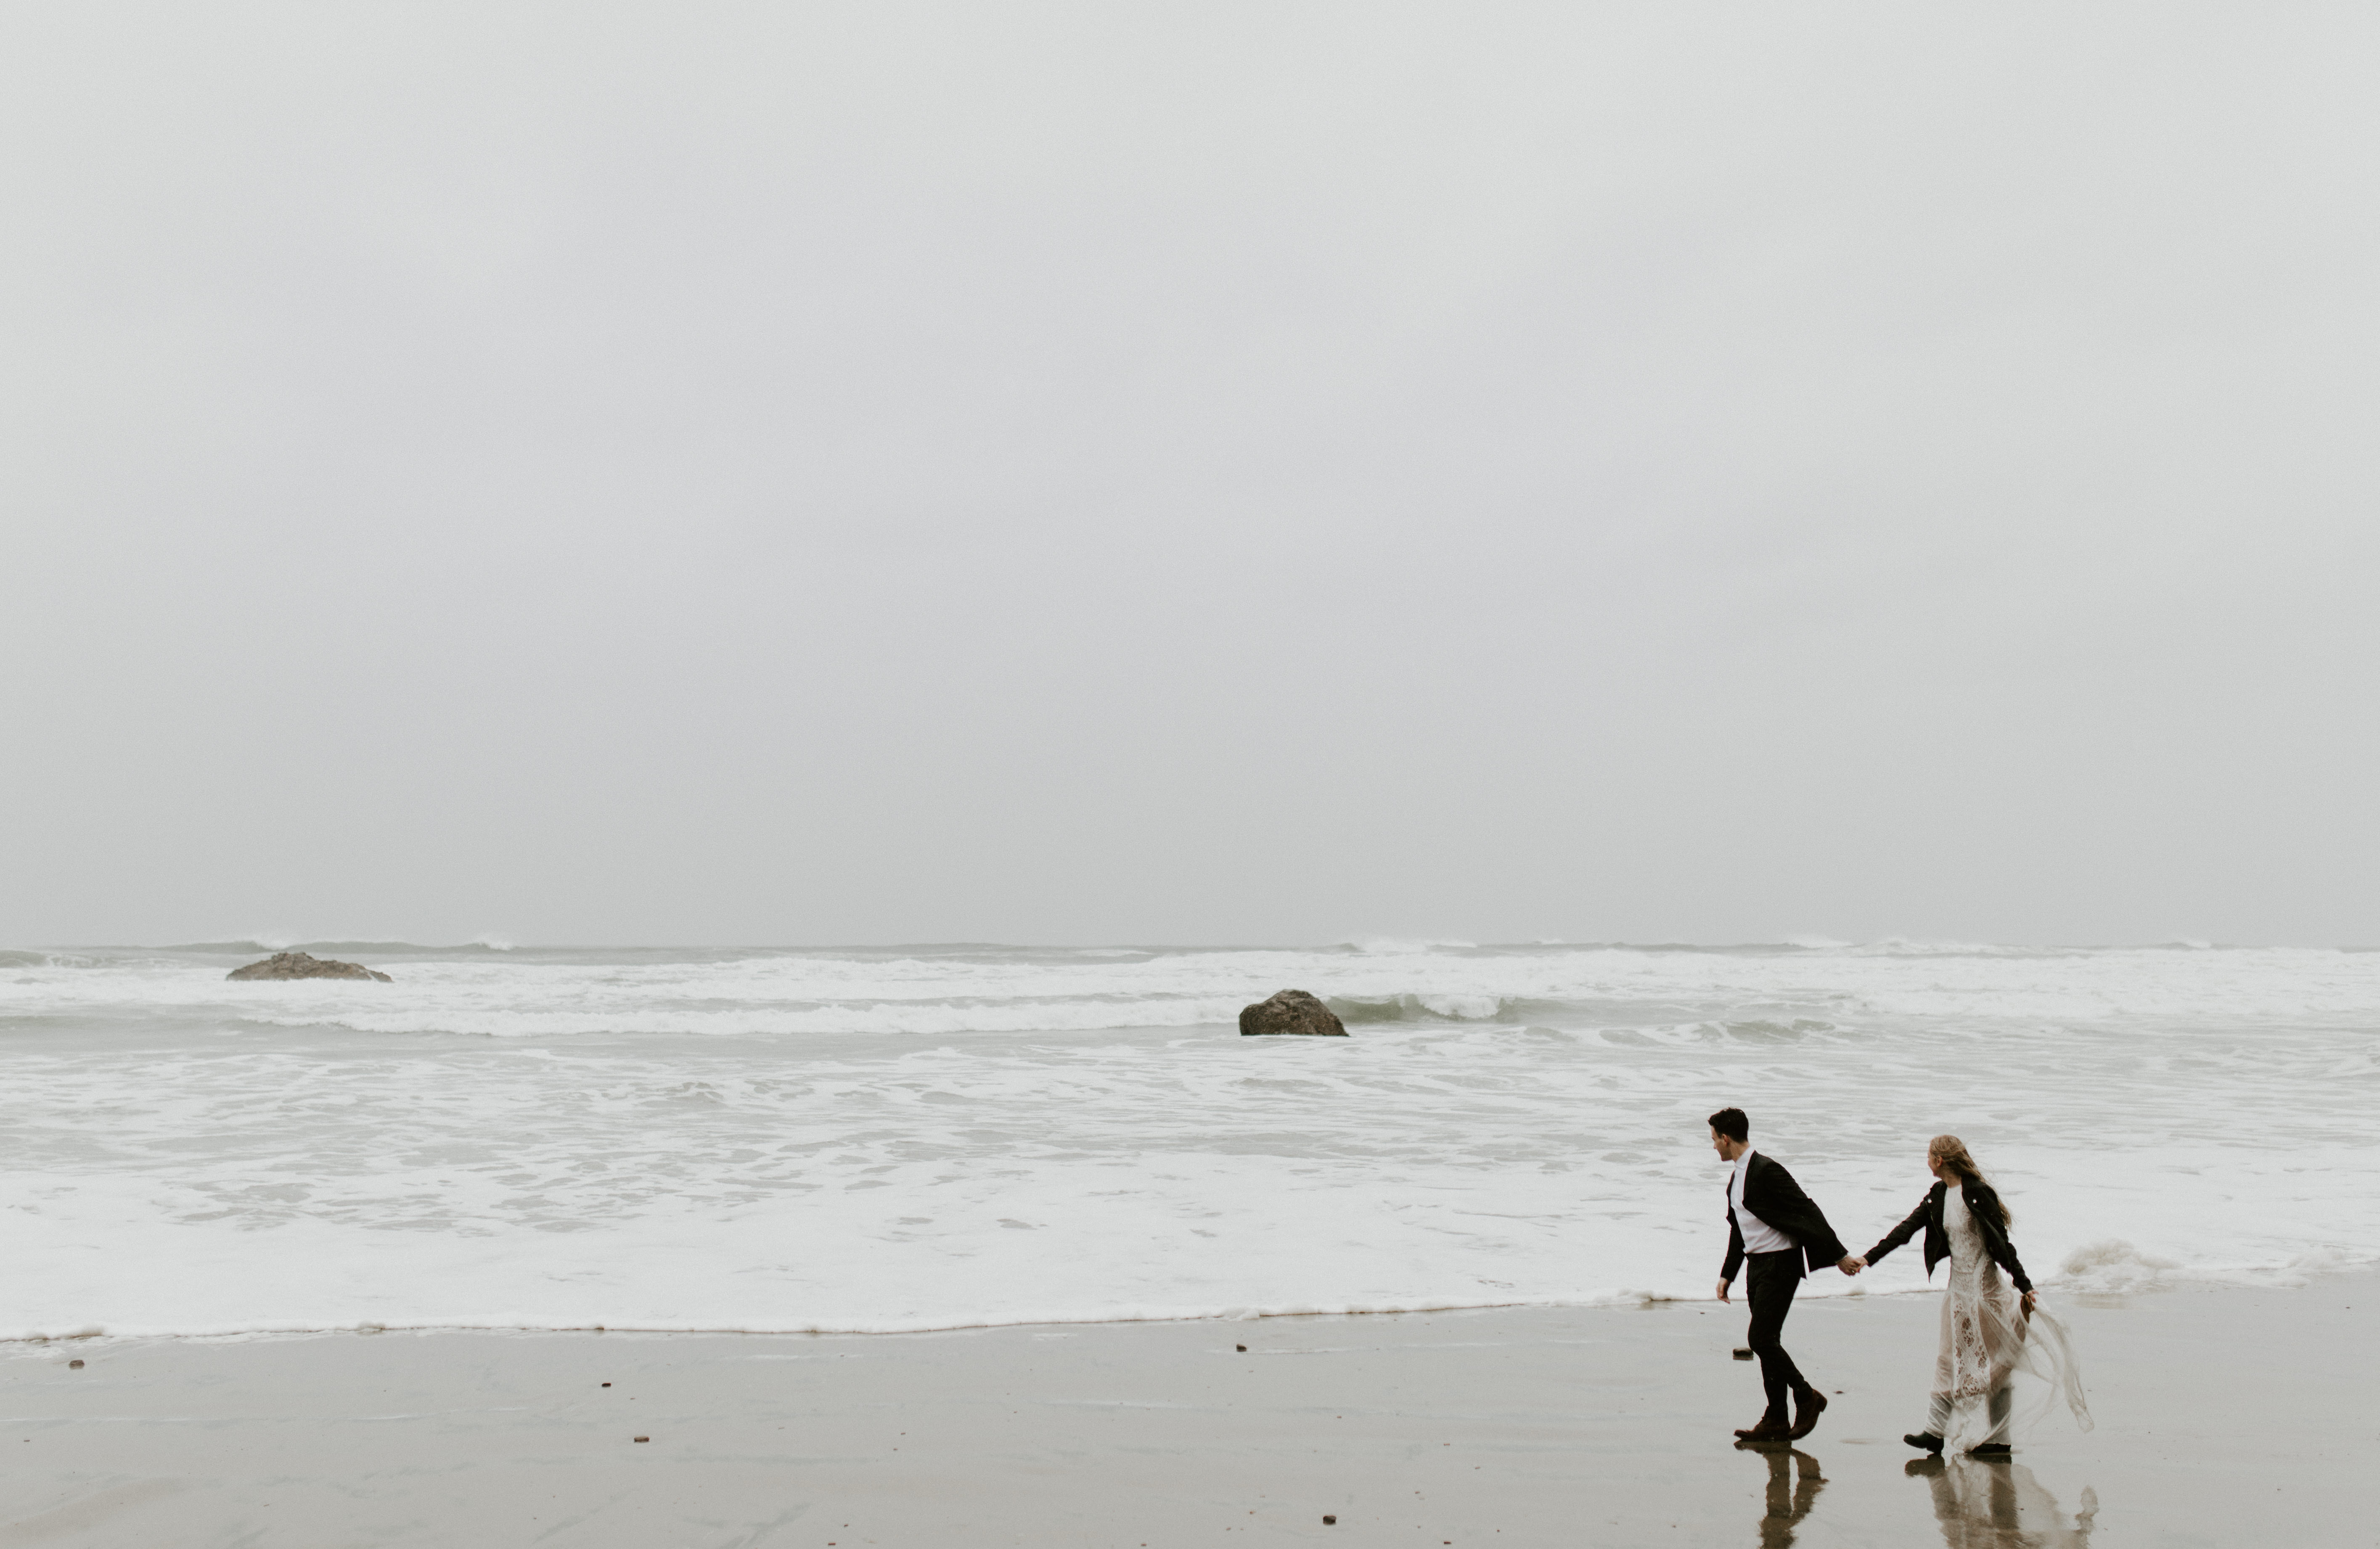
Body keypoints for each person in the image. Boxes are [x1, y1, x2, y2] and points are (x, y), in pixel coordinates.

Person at [1847, 1135, 2092, 1456]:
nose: (1926, 1162)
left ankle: (1998, 1438)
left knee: (1995, 1364)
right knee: (1947, 1358)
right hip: (1957, 1292)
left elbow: (2002, 1245)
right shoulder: (1938, 1194)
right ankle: (1934, 1432)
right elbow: (1905, 1230)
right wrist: (1868, 1258)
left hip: (1984, 1293)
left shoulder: (1977, 1192)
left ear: (1939, 1160)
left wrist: (2024, 1284)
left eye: (1928, 1156)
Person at [1710, 1107, 1862, 1441]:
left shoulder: (1767, 1170)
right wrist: (1728, 1274)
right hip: (1757, 1267)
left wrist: (1838, 1254)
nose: (1713, 1147)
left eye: (1713, 1140)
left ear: (1725, 1138)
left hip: (1781, 1264)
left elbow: (1805, 1207)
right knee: (1768, 1341)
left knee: (1760, 1339)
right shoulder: (1736, 1179)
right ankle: (1776, 1417)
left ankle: (1807, 1396)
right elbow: (1739, 1230)